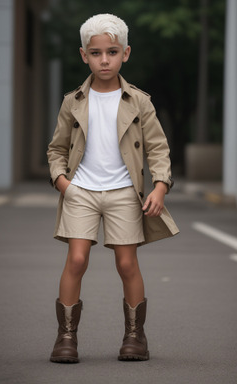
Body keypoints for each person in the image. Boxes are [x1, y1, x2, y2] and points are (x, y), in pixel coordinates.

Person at [47, 13, 179, 364]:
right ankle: (66, 337)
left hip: (123, 192)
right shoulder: (73, 101)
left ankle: (135, 336)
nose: (104, 59)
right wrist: (63, 182)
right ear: (83, 55)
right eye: (96, 53)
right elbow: (57, 149)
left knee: (126, 263)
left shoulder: (139, 101)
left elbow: (158, 148)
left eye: (112, 52)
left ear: (126, 53)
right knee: (76, 259)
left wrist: (160, 186)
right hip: (82, 192)